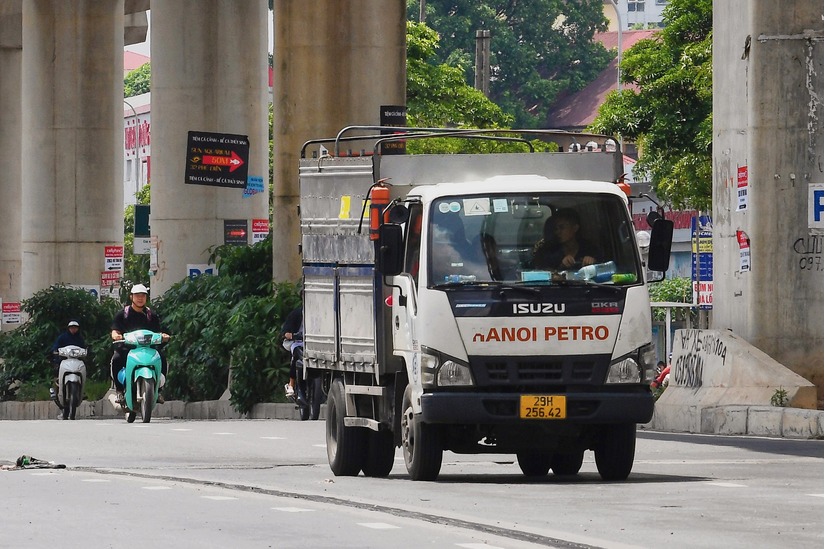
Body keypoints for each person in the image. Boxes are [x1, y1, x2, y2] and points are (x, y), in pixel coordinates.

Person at [110, 284, 170, 404]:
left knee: (162, 359)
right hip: (127, 348)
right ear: (131, 297)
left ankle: (159, 390)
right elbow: (115, 330)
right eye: (137, 295)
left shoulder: (151, 315)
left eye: (143, 295)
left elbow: (158, 332)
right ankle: (119, 391)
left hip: (149, 348)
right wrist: (116, 335)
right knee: (116, 359)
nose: (140, 298)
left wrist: (163, 336)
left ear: (146, 298)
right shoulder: (122, 314)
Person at [533, 208, 600, 270]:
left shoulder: (589, 248)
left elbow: (603, 269)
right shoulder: (547, 251)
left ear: (575, 228)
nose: (557, 232)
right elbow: (542, 273)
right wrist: (561, 266)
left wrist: (593, 263)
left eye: (562, 227)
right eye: (556, 229)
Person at [281, 304, 303, 398]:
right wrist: (292, 336)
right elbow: (285, 331)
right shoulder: (296, 314)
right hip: (297, 342)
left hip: (311, 343)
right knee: (296, 355)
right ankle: (291, 384)